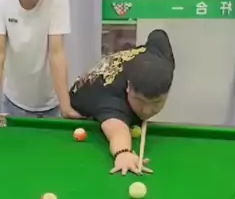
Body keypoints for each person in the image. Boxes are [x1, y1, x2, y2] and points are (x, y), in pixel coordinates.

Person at [69, 30, 175, 175]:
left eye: (156, 102)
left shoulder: (161, 55)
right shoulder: (111, 99)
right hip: (81, 105)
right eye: (140, 101)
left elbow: (158, 34)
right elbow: (116, 130)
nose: (146, 110)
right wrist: (123, 153)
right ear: (128, 87)